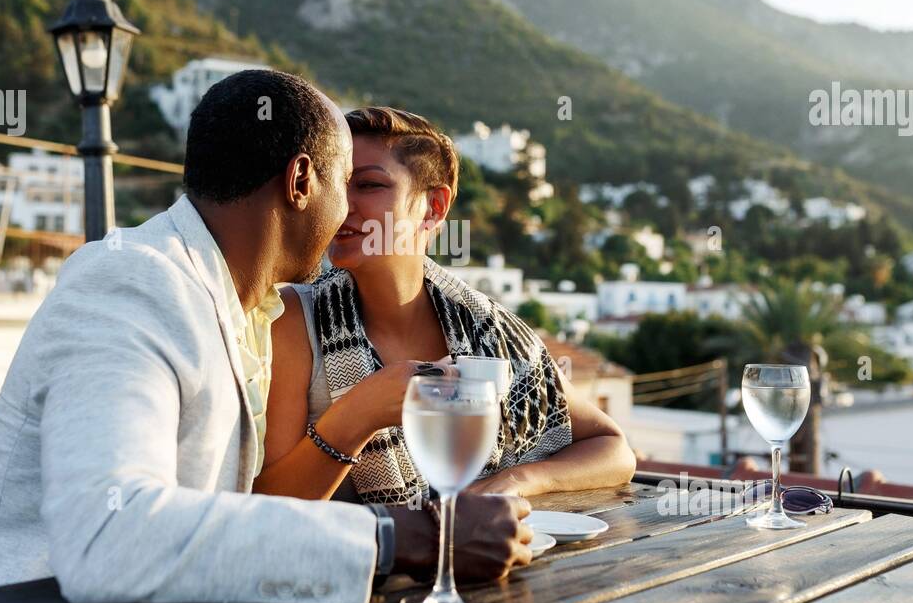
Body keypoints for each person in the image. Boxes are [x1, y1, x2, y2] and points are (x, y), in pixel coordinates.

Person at [0, 73, 533, 603]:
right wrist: (405, 537)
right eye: (346, 182)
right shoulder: (130, 281)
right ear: (302, 180)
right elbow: (107, 535)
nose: (349, 210)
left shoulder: (253, 307)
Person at [255, 106, 635, 505]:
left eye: (367, 185)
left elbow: (612, 448)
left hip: (499, 561)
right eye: (338, 184)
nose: (342, 204)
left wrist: (516, 481)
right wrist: (358, 414)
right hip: (366, 565)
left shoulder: (492, 332)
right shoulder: (293, 319)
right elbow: (269, 505)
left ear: (434, 207)